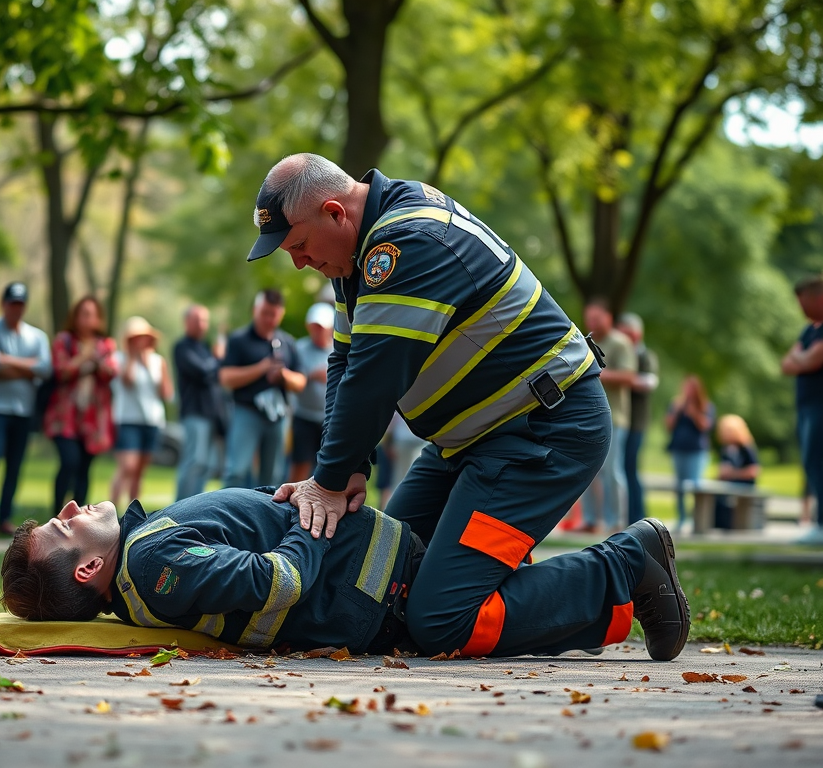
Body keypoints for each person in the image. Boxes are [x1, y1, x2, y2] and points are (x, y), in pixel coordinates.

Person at [241, 152, 689, 660]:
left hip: (542, 431)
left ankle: (628, 566)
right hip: (474, 440)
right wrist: (349, 470)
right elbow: (346, 362)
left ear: (335, 212)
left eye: (298, 244)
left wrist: (327, 480)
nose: (298, 261)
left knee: (439, 619)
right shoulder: (359, 257)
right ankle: (537, 598)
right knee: (383, 583)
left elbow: (375, 377)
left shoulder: (404, 244)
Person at [0, 488, 678, 661]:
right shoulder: (150, 563)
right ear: (89, 567)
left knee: (469, 624)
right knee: (481, 619)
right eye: (62, 526)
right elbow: (280, 581)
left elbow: (272, 565)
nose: (69, 508)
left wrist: (307, 501)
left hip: (378, 580)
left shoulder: (148, 557)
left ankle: (626, 564)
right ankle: (624, 584)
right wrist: (311, 509)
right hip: (373, 584)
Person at [0, 282, 51, 537]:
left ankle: (4, 518)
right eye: (11, 303)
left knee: (14, 466)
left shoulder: (36, 336)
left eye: (20, 304)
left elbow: (46, 369)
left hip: (23, 411)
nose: (15, 309)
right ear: (3, 303)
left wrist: (9, 361)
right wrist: (28, 368)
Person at [219, 289, 306, 489]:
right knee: (236, 472)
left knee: (273, 477)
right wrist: (261, 368)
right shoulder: (239, 339)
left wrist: (283, 375)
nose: (269, 319)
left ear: (281, 313)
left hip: (277, 416)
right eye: (264, 313)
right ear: (255, 310)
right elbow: (225, 377)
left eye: (273, 314)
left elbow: (301, 382)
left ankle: (263, 518)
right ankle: (226, 516)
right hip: (246, 412)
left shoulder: (287, 343)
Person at [45, 295, 118, 519]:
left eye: (91, 314)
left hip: (93, 420)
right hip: (64, 417)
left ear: (98, 319)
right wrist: (84, 357)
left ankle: (78, 521)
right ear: (75, 317)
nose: (87, 319)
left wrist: (95, 361)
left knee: (84, 468)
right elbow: (62, 371)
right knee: (69, 462)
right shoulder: (64, 340)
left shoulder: (105, 344)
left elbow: (111, 371)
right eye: (82, 314)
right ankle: (57, 515)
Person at [579, 299, 637, 534]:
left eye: (596, 318)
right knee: (587, 469)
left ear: (608, 317)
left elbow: (630, 377)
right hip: (589, 416)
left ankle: (616, 522)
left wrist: (596, 374)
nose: (592, 322)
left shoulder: (620, 343)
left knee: (612, 470)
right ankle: (591, 520)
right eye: (589, 318)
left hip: (615, 418)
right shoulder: (585, 341)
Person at [110, 317, 172, 509]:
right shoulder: (119, 359)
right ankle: (110, 509)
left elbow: (167, 393)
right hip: (127, 419)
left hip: (151, 420)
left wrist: (148, 364)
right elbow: (127, 381)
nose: (140, 342)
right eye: (136, 337)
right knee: (127, 467)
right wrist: (133, 357)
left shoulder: (157, 361)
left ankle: (132, 512)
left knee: (139, 471)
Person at [781, 275, 823, 545]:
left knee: (818, 462)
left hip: (820, 407)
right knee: (811, 462)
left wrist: (801, 358)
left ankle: (821, 526)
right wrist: (802, 358)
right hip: (807, 407)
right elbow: (788, 363)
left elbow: (811, 360)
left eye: (803, 301)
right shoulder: (809, 331)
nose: (801, 308)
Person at [173, 305, 226, 500]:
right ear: (187, 322)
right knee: (194, 462)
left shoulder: (204, 349)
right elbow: (203, 372)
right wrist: (218, 358)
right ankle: (178, 510)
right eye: (198, 320)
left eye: (205, 320)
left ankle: (192, 508)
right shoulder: (182, 347)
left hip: (212, 415)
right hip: (195, 413)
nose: (202, 325)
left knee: (206, 465)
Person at [617, 312, 659, 525]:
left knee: (630, 468)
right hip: (622, 421)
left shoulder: (644, 356)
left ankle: (637, 516)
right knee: (622, 469)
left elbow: (650, 382)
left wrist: (623, 377)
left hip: (636, 422)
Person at [288, 302, 334, 481]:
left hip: (329, 421)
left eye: (321, 327)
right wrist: (312, 376)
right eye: (314, 327)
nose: (318, 331)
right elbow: (293, 380)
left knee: (326, 469)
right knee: (300, 465)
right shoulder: (299, 349)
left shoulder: (338, 350)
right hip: (304, 416)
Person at [664, 375, 715, 533]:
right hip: (678, 449)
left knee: (695, 485)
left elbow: (706, 426)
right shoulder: (677, 404)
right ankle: (681, 518)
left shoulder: (706, 405)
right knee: (679, 486)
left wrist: (693, 413)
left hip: (697, 451)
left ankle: (696, 520)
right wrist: (678, 411)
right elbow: (668, 425)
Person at [713, 415, 760, 530]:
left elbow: (754, 471)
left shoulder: (746, 448)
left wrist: (734, 473)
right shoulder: (726, 449)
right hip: (728, 485)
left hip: (743, 484)